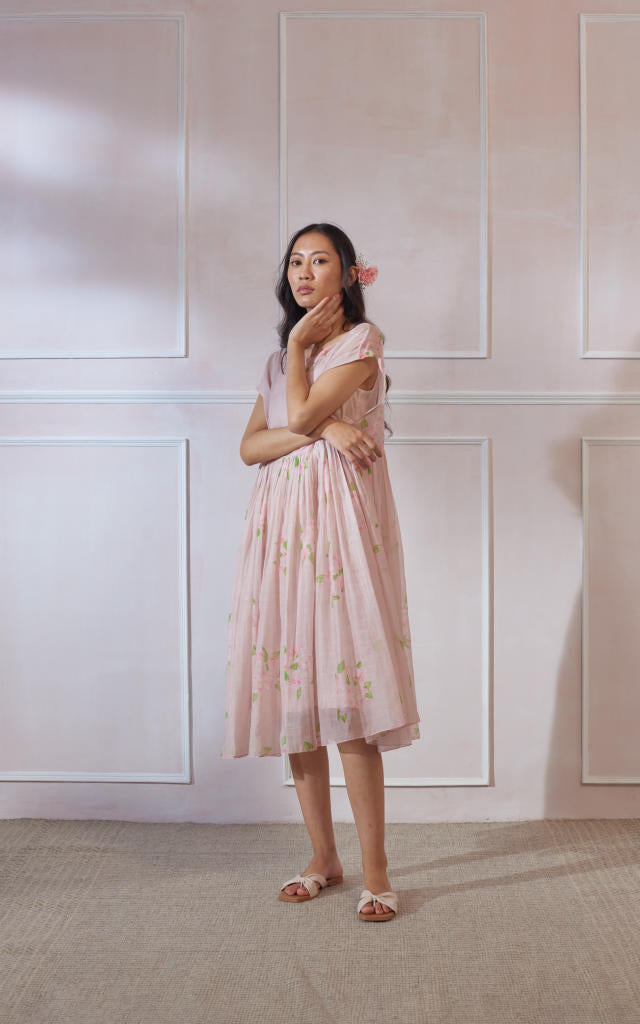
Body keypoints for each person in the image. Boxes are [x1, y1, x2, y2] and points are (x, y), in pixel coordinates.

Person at [221, 222, 421, 921]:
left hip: (339, 529)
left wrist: (311, 389)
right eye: (295, 262)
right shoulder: (280, 358)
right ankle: (322, 858)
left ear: (348, 272)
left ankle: (376, 871)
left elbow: (299, 412)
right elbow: (250, 448)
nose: (304, 272)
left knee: (350, 699)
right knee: (297, 701)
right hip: (281, 531)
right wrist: (328, 425)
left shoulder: (360, 343)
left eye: (320, 260)